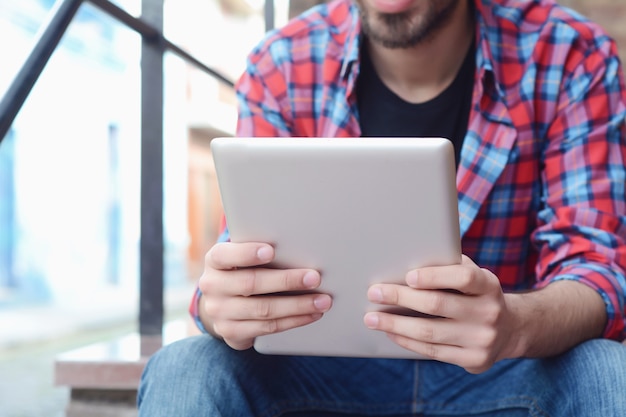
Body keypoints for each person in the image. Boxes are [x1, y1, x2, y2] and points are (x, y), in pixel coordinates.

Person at [138, 0, 626, 415]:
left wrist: (514, 326)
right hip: (322, 370)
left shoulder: (569, 54)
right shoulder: (282, 63)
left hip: (502, 370)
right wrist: (224, 303)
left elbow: (598, 269)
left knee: (608, 370)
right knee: (186, 366)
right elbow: (242, 252)